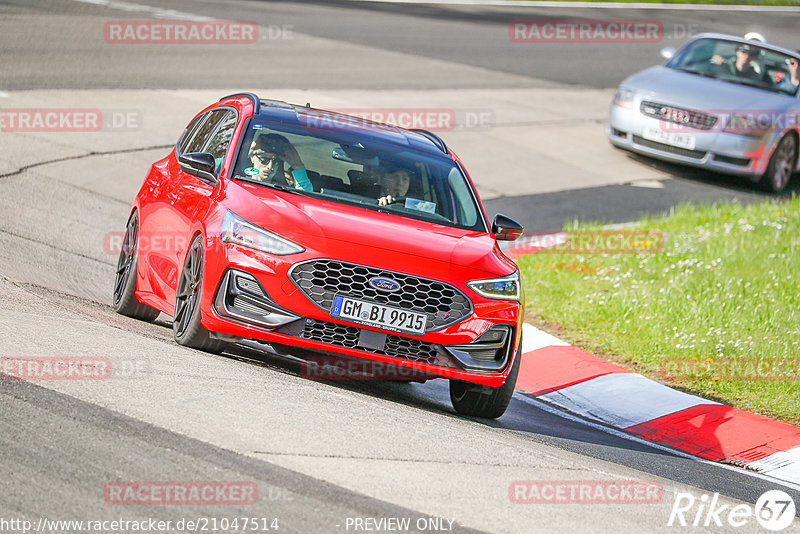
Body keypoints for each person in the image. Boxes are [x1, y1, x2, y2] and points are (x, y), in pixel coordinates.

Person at [246, 133, 313, 191]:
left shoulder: (283, 191)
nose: (270, 167)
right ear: (252, 158)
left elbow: (303, 198)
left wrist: (298, 166)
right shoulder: (238, 181)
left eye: (276, 162)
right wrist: (250, 150)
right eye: (264, 160)